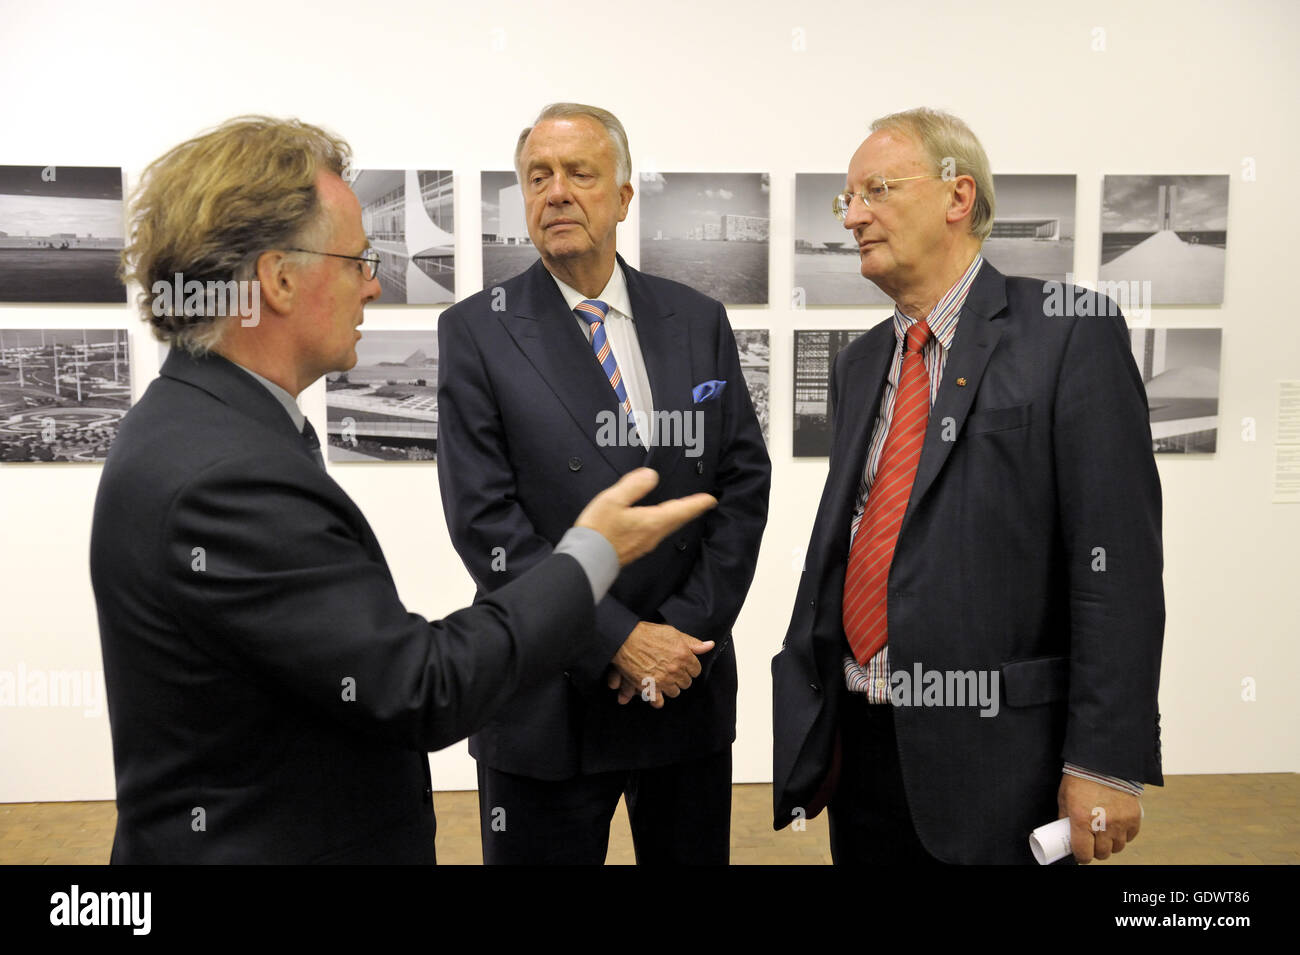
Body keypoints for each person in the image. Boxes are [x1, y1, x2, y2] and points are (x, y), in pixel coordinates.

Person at [89, 116, 715, 864]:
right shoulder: (227, 475)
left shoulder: (199, 426)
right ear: (279, 279)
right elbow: (418, 683)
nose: (376, 283)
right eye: (357, 259)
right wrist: (590, 559)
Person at [771, 108, 1165, 865]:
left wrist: (1105, 761)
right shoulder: (860, 366)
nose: (853, 215)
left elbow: (1116, 570)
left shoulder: (1069, 332)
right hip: (863, 750)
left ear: (958, 197)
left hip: (1000, 765)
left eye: (877, 190)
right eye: (844, 199)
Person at [437, 103, 770, 864]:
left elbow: (741, 483)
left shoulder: (697, 318)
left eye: (579, 173)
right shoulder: (476, 330)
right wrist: (617, 639)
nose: (556, 192)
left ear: (623, 195)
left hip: (684, 691)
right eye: (537, 177)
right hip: (546, 701)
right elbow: (486, 524)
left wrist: (678, 637)